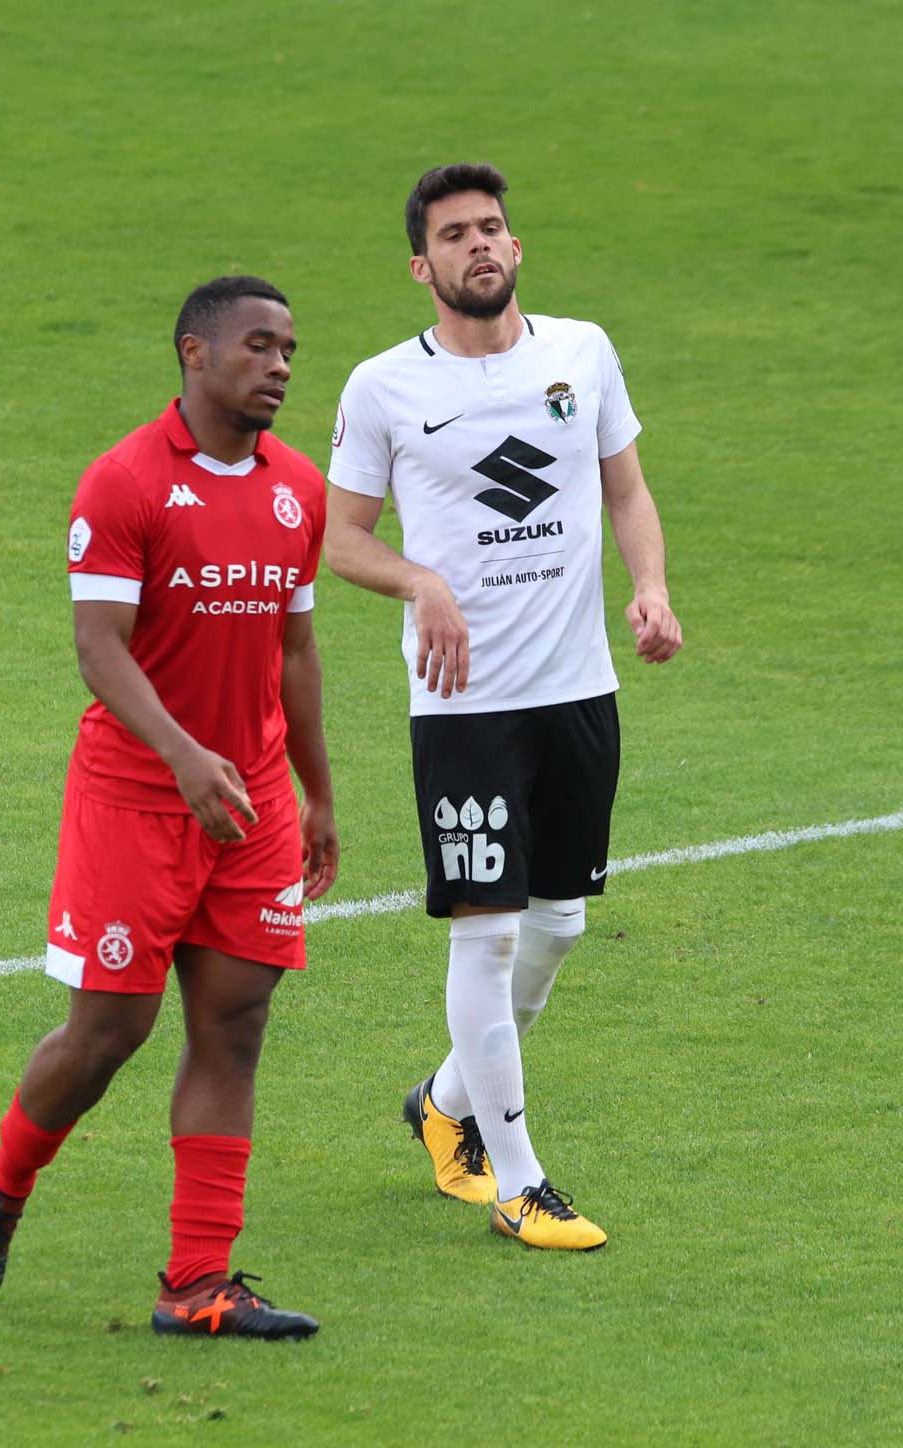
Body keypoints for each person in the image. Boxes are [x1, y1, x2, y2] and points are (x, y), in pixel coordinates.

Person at [0, 275, 338, 1336]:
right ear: (195, 354)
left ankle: (199, 1280)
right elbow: (98, 648)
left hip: (249, 798)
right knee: (109, 1030)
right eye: (259, 345)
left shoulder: (299, 486)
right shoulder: (122, 482)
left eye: (291, 349)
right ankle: (1, 1188)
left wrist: (317, 791)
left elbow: (294, 649)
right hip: (136, 794)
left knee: (237, 1022)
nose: (281, 366)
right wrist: (181, 755)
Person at [325, 164, 681, 1250]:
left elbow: (625, 487)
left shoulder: (583, 353)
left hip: (579, 691)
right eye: (454, 234)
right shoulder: (383, 386)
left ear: (514, 248)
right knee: (484, 937)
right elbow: (341, 536)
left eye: (491, 228)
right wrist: (420, 582)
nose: (478, 244)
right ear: (422, 266)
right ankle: (519, 1178)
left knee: (558, 926)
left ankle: (443, 1103)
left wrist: (651, 585)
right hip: (464, 707)